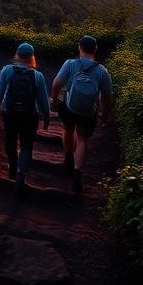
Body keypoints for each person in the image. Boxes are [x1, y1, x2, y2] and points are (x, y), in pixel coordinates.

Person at [51, 35, 114, 195]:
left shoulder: (70, 64)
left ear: (79, 46)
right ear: (95, 50)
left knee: (67, 129)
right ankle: (77, 172)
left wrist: (55, 99)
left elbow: (56, 84)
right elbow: (108, 98)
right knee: (83, 140)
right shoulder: (102, 71)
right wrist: (104, 115)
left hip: (69, 108)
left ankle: (68, 158)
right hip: (88, 113)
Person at [0, 42, 50, 195]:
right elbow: (43, 101)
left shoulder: (7, 71)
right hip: (30, 115)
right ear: (31, 57)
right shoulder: (38, 76)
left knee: (10, 141)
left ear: (17, 54)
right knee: (27, 146)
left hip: (10, 114)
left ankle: (12, 169)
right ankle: (21, 173)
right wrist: (47, 118)